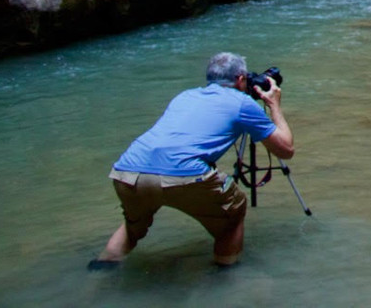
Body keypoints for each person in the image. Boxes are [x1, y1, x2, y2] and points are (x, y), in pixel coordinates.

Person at [89, 52, 294, 269]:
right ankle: (224, 277)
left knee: (132, 228)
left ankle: (99, 274)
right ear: (241, 79)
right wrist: (274, 105)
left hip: (127, 171)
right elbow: (286, 149)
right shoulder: (242, 102)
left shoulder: (184, 96)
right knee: (233, 215)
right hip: (183, 175)